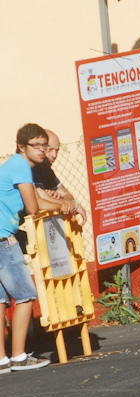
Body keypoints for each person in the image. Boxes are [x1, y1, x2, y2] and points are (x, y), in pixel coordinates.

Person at [0, 123, 74, 373]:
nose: (42, 150)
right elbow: (33, 207)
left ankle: (2, 360)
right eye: (37, 145)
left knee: (1, 300)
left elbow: (38, 199)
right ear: (21, 146)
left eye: (45, 145)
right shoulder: (21, 166)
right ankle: (19, 356)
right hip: (3, 239)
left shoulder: (15, 165)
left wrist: (62, 203)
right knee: (25, 295)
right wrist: (62, 206)